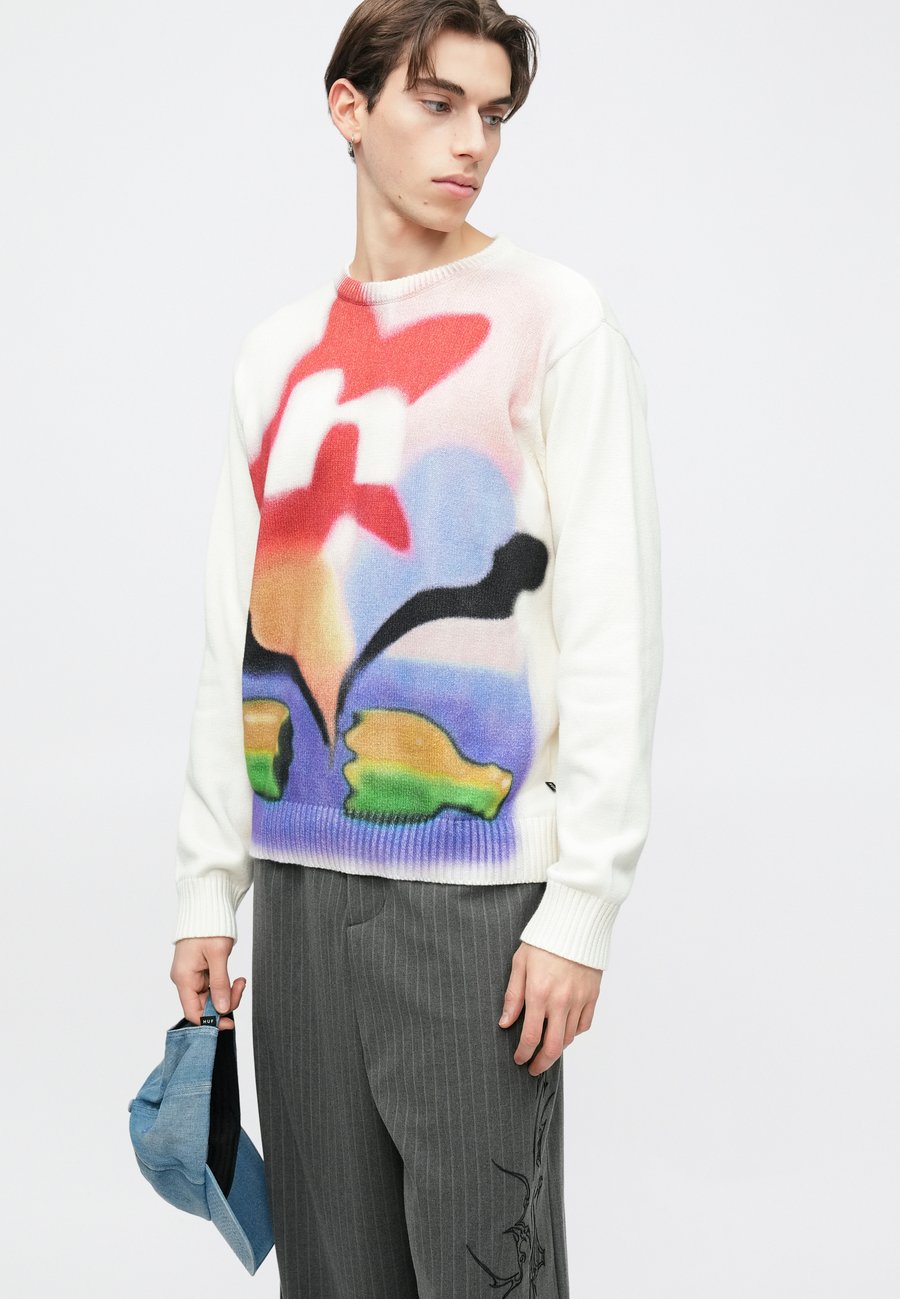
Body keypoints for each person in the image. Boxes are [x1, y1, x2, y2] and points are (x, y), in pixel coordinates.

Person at [169, 2, 663, 1295]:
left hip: (477, 910)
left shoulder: (556, 319)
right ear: (349, 107)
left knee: (487, 1271)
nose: (472, 143)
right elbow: (238, 635)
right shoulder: (277, 357)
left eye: (492, 114)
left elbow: (611, 629)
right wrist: (207, 886)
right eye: (437, 104)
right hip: (299, 898)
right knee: (332, 1276)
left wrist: (582, 908)